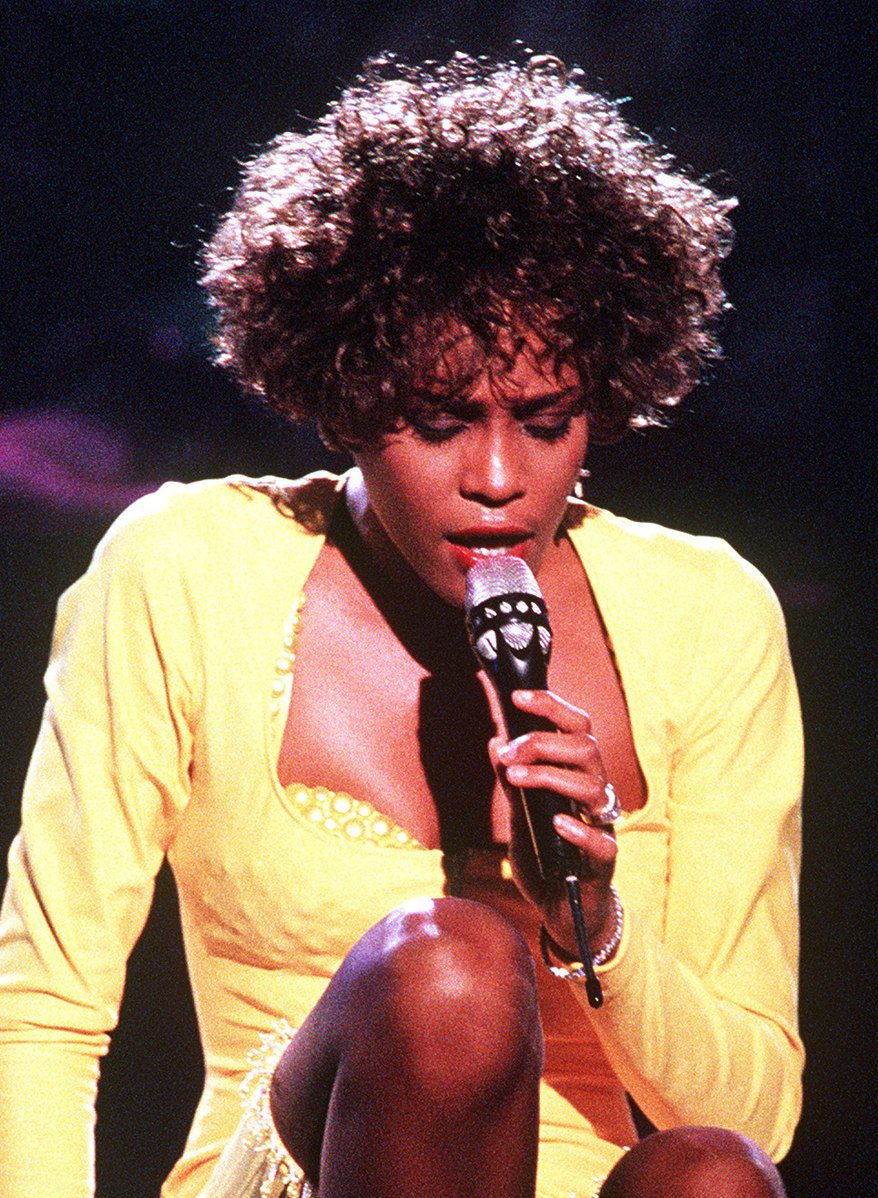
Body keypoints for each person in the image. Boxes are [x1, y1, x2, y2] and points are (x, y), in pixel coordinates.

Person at [0, 52, 803, 1198]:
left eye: (544, 421)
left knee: (711, 1176)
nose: (497, 479)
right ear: (346, 397)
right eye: (439, 422)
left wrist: (593, 920)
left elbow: (756, 1115)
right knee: (450, 966)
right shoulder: (187, 567)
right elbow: (42, 1011)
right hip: (290, 1177)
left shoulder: (708, 615)